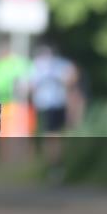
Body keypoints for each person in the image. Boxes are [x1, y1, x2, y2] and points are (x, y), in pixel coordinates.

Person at [28, 44, 77, 174]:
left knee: (53, 135)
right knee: (53, 135)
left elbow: (71, 78)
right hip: (48, 104)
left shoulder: (46, 65)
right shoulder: (42, 65)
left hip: (55, 103)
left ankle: (55, 164)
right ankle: (53, 164)